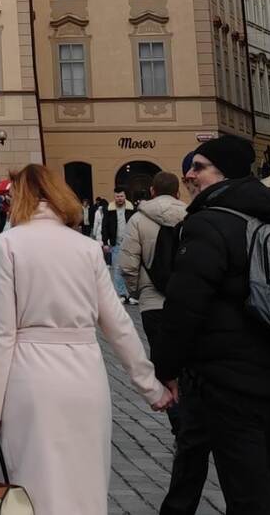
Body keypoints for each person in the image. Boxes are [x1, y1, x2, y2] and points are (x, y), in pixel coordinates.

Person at [0, 164, 170, 515]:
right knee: (85, 487)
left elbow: (0, 331)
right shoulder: (86, 248)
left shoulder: (7, 245)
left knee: (33, 487)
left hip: (31, 379)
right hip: (85, 377)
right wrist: (150, 386)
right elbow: (118, 324)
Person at [154, 135, 270, 514]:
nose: (189, 175)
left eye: (199, 167)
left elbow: (184, 304)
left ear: (224, 174)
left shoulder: (209, 224)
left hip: (230, 381)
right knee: (267, 472)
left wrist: (166, 366)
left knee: (246, 487)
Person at [117, 169, 187, 426]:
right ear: (178, 192)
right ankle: (192, 414)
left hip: (152, 303)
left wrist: (138, 291)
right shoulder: (190, 214)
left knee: (163, 361)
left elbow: (127, 265)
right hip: (185, 302)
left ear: (152, 192)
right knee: (188, 362)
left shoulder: (137, 219)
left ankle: (177, 420)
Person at [100, 188, 135, 301]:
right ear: (114, 197)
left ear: (125, 196)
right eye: (117, 196)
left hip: (131, 243)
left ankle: (132, 294)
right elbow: (104, 226)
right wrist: (105, 242)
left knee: (131, 269)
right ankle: (122, 294)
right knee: (117, 269)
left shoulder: (131, 208)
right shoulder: (109, 209)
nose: (119, 199)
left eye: (121, 196)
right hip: (116, 244)